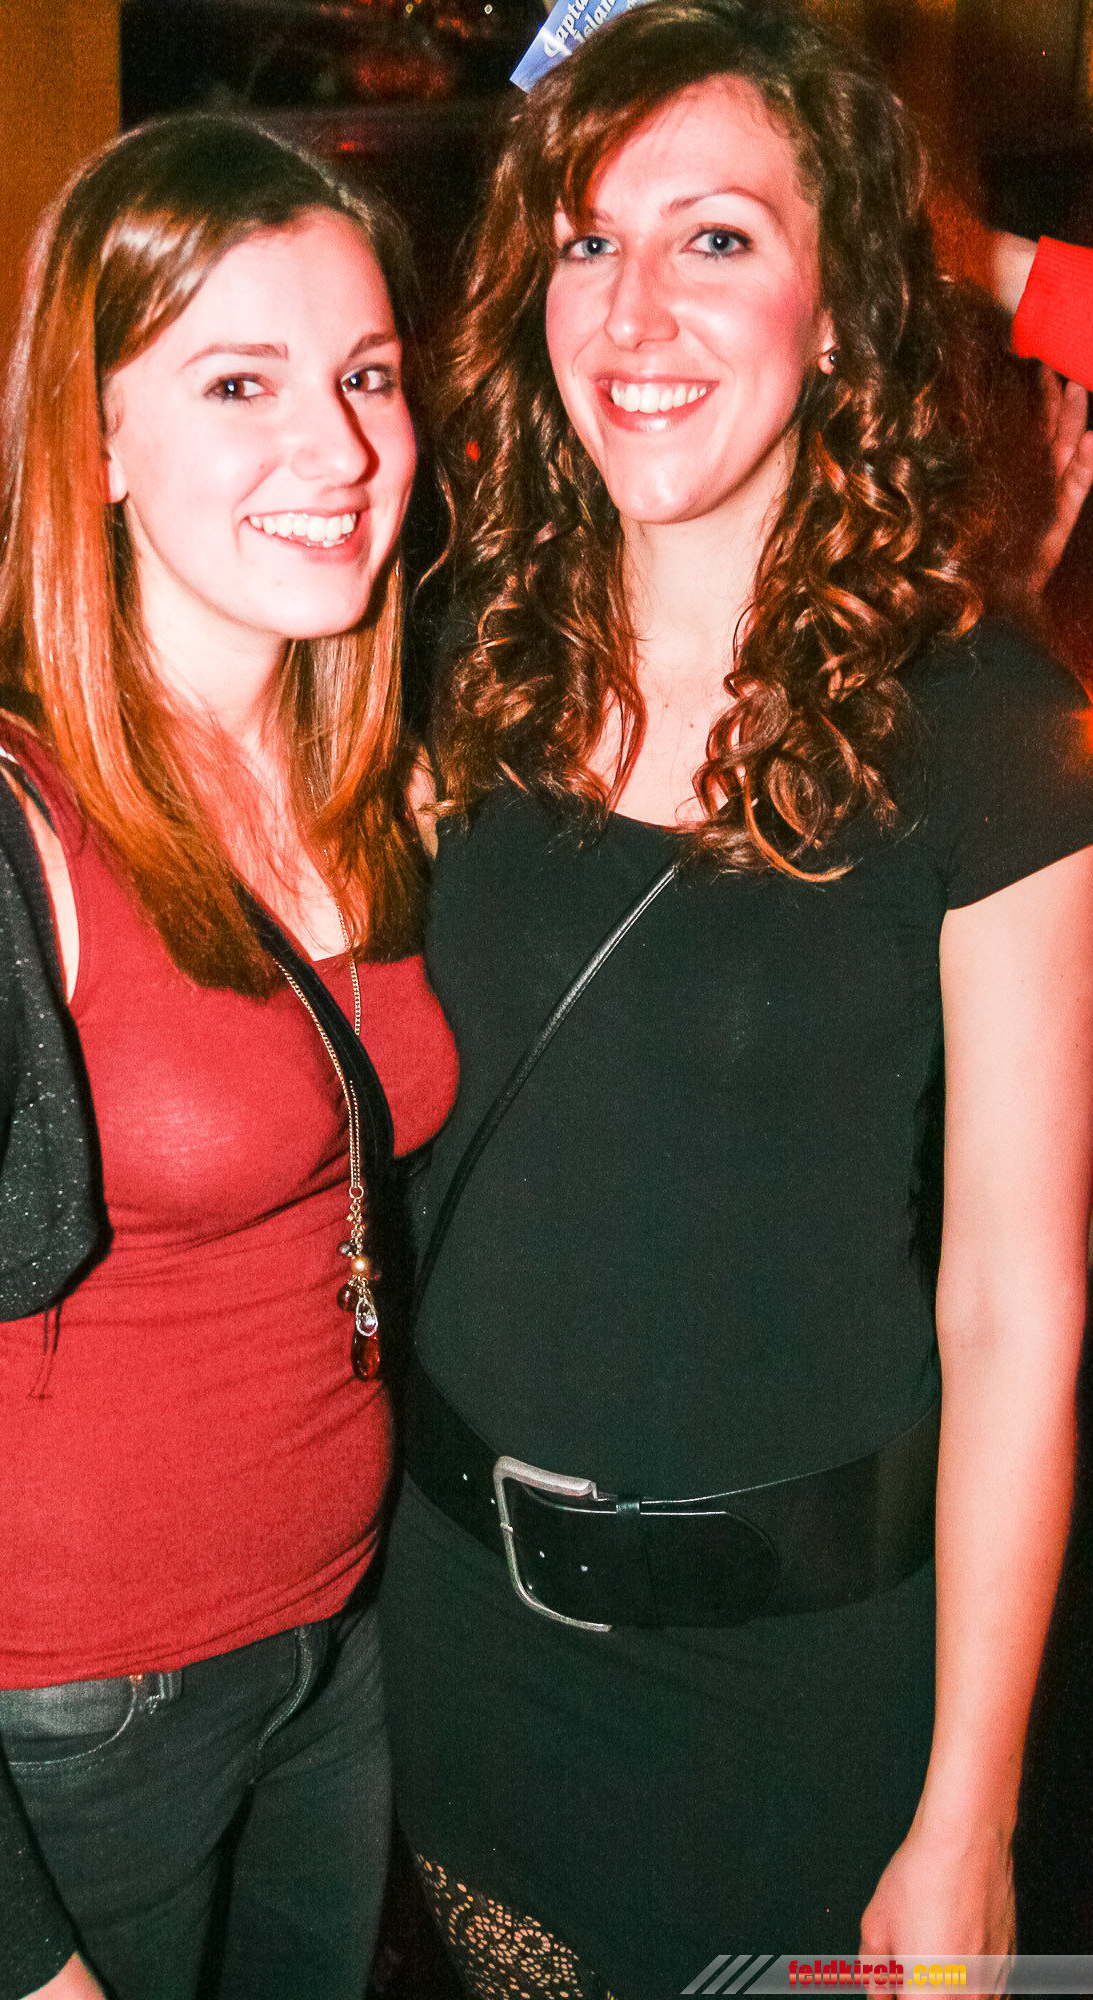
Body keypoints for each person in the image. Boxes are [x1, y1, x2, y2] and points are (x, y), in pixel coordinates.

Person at [378, 6, 1093, 1996]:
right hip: (463, 1653)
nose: (634, 309)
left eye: (715, 237)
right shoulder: (450, 674)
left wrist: (970, 1806)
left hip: (809, 1703)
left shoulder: (989, 731)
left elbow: (1014, 1309)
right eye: (587, 243)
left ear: (838, 310)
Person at [0, 115, 456, 2000]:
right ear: (97, 441)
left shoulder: (368, 777)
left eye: (366, 375)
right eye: (241, 382)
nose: (339, 450)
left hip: (336, 1653)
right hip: (77, 1718)